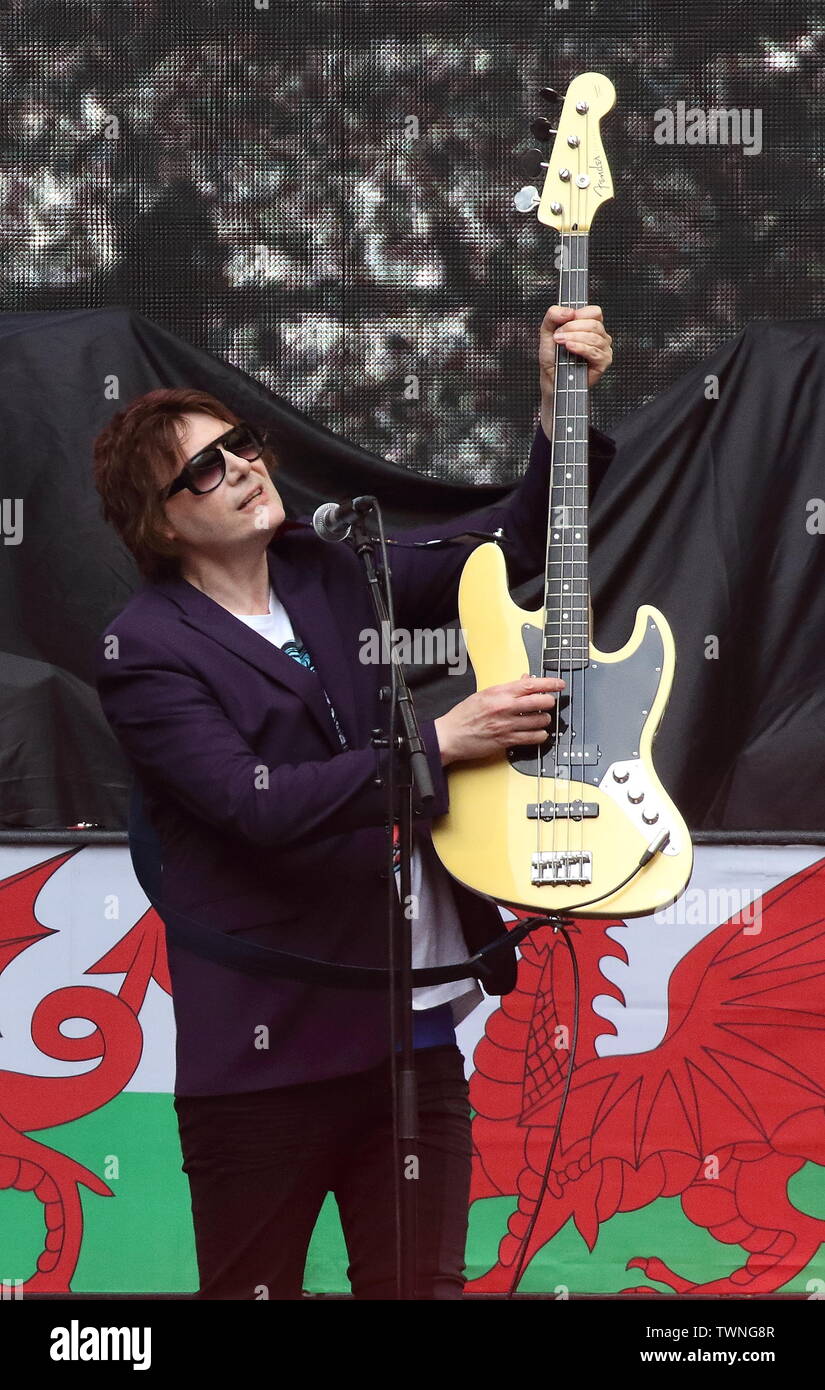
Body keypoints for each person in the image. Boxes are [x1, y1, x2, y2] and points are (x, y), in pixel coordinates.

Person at [92, 304, 614, 1300]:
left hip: (410, 1040)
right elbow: (258, 807)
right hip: (266, 1059)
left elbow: (511, 546)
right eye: (204, 467)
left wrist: (561, 408)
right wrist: (440, 744)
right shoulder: (145, 648)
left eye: (241, 445)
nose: (243, 466)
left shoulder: (332, 572)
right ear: (160, 522)